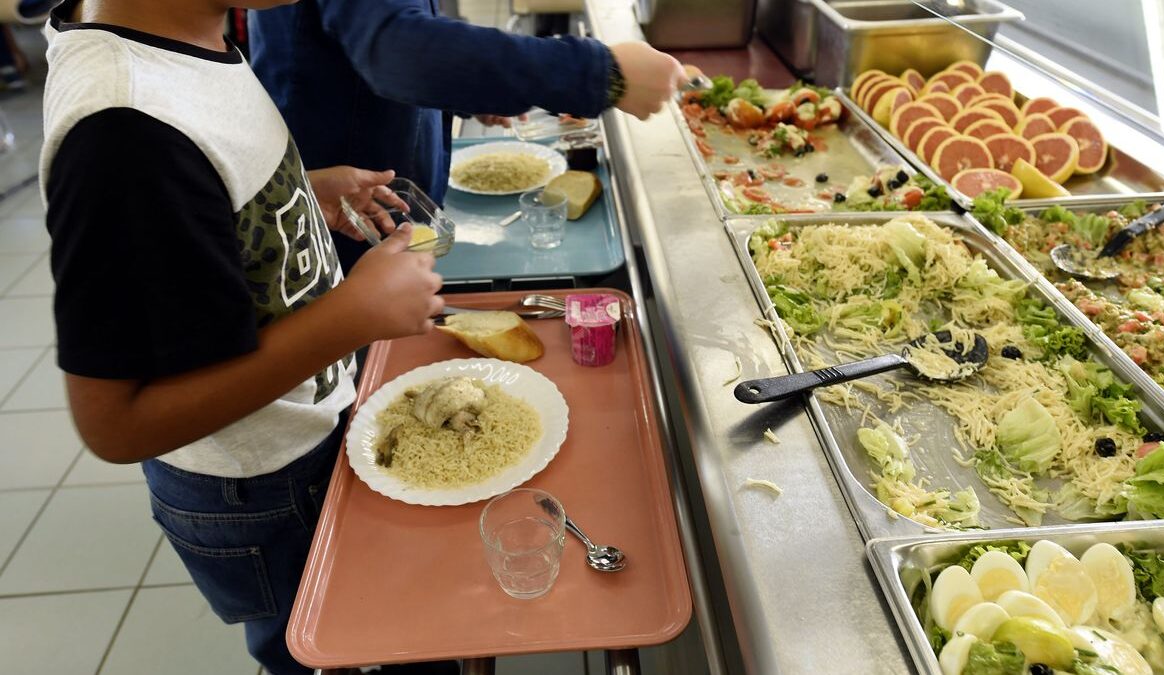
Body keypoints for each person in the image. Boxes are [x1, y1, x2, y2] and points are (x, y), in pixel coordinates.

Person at [40, 1, 444, 673]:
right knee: (314, 649)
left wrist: (295, 195)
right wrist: (352, 316)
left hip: (306, 433)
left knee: (377, 620)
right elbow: (115, 423)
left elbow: (202, 192)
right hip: (259, 489)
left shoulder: (190, 29)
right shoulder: (121, 131)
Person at [250, 1, 686, 270]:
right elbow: (398, 49)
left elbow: (362, 42)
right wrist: (600, 74)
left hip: (376, 204)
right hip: (340, 222)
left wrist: (464, 90)